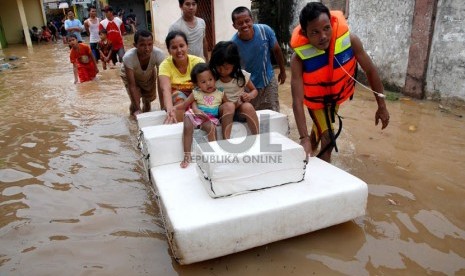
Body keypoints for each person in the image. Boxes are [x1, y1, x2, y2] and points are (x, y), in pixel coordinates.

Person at [290, 2, 390, 163]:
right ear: (305, 33)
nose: (322, 36)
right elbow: (297, 100)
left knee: (320, 132)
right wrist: (303, 138)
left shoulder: (350, 41)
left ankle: (311, 154)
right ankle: (324, 183)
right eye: (314, 32)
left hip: (333, 98)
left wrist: (382, 106)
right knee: (328, 138)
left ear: (332, 24)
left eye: (326, 28)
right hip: (315, 103)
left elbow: (371, 70)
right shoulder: (298, 59)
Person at [231, 6, 287, 112]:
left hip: (268, 80)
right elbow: (234, 68)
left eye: (247, 21)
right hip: (249, 86)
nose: (244, 25)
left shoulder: (265, 30)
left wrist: (282, 71)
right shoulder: (234, 44)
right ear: (234, 26)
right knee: (252, 113)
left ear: (252, 19)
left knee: (273, 111)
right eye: (240, 23)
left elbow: (277, 50)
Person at [178, 63, 228, 168]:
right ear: (197, 84)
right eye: (203, 82)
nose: (208, 84)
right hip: (197, 115)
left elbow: (228, 105)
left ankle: (214, 154)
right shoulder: (196, 92)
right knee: (187, 121)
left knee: (211, 128)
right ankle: (187, 155)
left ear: (215, 78)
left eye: (210, 79)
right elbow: (185, 104)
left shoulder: (220, 93)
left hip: (209, 118)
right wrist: (173, 109)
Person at [209, 41, 259, 139]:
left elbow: (254, 90)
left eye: (226, 68)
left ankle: (257, 136)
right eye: (219, 67)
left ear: (234, 65)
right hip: (222, 112)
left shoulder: (241, 76)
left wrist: (250, 96)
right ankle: (226, 139)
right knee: (229, 106)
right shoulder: (213, 78)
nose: (222, 71)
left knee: (248, 107)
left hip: (239, 109)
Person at [159, 30, 205, 123]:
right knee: (179, 99)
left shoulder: (198, 62)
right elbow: (166, 89)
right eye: (174, 47)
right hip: (178, 98)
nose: (179, 50)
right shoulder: (165, 65)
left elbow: (206, 85)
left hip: (197, 95)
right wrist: (169, 109)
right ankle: (180, 129)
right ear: (168, 50)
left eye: (181, 46)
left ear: (187, 46)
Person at [120, 30, 166, 118]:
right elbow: (132, 85)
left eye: (150, 44)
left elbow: (161, 83)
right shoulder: (128, 57)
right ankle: (133, 124)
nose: (147, 48)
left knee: (148, 101)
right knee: (135, 102)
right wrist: (138, 109)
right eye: (142, 45)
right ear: (135, 45)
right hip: (129, 75)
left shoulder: (159, 54)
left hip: (149, 73)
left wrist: (163, 107)